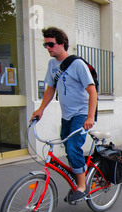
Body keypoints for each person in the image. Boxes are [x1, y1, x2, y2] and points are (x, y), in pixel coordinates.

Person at [30, 27, 97, 202]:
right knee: (67, 148)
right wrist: (41, 109)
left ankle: (82, 186)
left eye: (51, 44)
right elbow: (50, 89)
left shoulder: (77, 64)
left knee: (73, 146)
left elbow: (92, 91)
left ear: (62, 43)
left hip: (81, 114)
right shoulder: (52, 65)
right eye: (45, 44)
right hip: (66, 115)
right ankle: (79, 172)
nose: (48, 48)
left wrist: (90, 117)